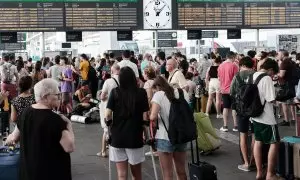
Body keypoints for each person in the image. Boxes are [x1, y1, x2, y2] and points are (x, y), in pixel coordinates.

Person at [5, 78, 74, 180]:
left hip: (29, 172)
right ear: (45, 97)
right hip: (52, 173)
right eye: (57, 95)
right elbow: (69, 147)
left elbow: (14, 137)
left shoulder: (25, 113)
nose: (59, 97)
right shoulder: (57, 120)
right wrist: (69, 125)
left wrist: (7, 140)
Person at [105, 67, 149, 180]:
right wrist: (147, 135)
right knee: (136, 175)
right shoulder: (141, 93)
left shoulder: (115, 92)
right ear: (134, 78)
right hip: (134, 136)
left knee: (121, 174)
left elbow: (108, 114)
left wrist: (109, 126)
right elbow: (145, 116)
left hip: (117, 137)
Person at [149, 76, 189, 180]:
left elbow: (153, 117)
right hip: (181, 136)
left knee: (167, 175)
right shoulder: (182, 92)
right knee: (181, 171)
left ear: (157, 87)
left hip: (164, 137)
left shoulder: (159, 95)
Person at [251, 59, 280, 180]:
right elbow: (271, 99)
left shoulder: (253, 75)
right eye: (273, 73)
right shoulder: (266, 78)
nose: (273, 76)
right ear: (271, 70)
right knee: (274, 143)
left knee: (258, 142)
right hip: (267, 117)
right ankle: (270, 174)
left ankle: (259, 172)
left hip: (254, 116)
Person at [230, 57, 255, 172]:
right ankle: (254, 161)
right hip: (255, 110)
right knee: (255, 136)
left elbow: (232, 92)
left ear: (242, 64)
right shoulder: (257, 75)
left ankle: (246, 163)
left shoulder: (237, 76)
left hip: (242, 110)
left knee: (243, 136)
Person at [98, 64, 120, 157]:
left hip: (108, 106)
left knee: (107, 128)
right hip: (119, 107)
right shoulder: (124, 80)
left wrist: (105, 96)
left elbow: (102, 97)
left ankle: (103, 151)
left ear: (112, 71)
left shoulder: (109, 81)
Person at [218, 51, 239, 132]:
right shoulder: (234, 65)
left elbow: (219, 78)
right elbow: (237, 78)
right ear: (233, 57)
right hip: (233, 90)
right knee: (234, 108)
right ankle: (235, 126)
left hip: (224, 90)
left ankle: (225, 126)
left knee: (225, 107)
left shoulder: (220, 66)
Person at [278, 51, 297, 126]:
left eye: (279, 54)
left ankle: (286, 120)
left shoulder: (284, 63)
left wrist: (277, 75)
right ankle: (293, 119)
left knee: (284, 103)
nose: (278, 56)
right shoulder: (291, 62)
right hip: (292, 84)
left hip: (286, 85)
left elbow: (282, 75)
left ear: (282, 55)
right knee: (292, 103)